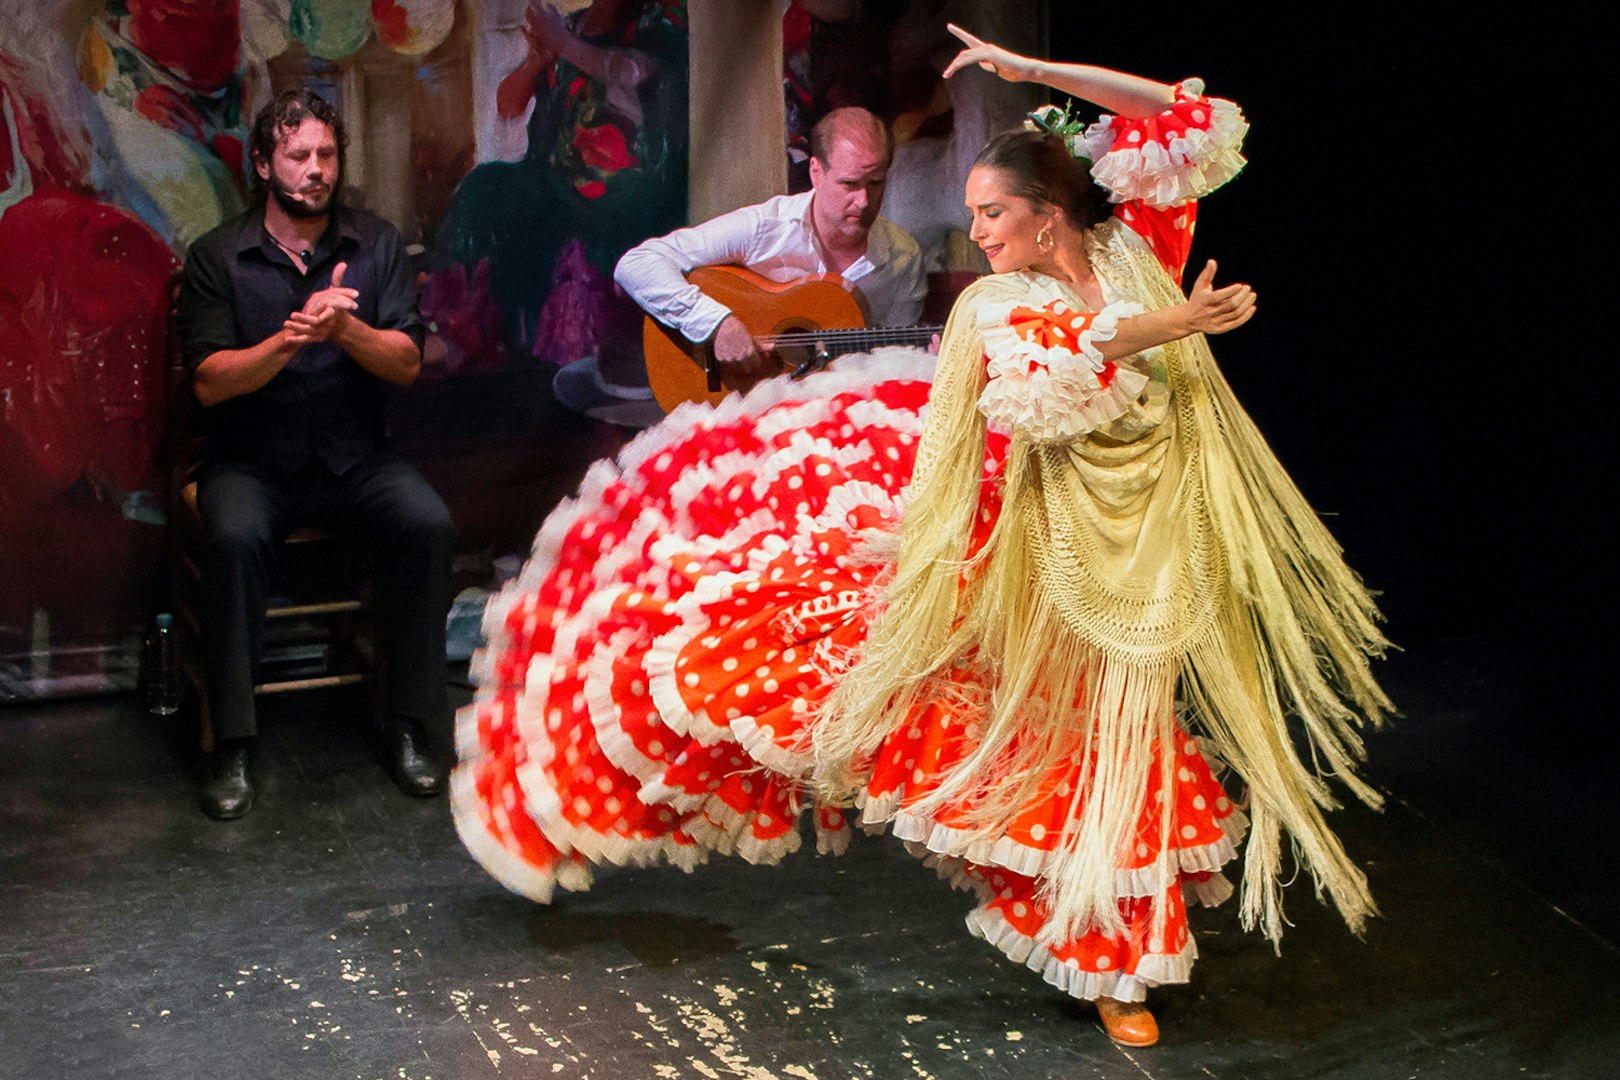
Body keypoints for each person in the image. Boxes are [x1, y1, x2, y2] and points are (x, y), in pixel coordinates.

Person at [453, 29, 1390, 1047]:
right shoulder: (1002, 303)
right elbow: (1080, 348)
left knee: (1130, 741)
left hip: (1151, 546)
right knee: (1008, 724)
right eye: (974, 214)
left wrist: (1035, 74)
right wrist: (1175, 325)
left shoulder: (1139, 254)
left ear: (1050, 214)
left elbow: (1180, 111)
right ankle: (1109, 958)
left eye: (992, 214)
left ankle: (1115, 948)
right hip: (1040, 554)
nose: (975, 234)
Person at [178, 90, 455, 820]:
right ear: (264, 164)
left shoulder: (376, 244)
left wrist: (345, 332)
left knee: (426, 523)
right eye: (298, 155)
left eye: (327, 154)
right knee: (233, 537)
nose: (316, 169)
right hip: (250, 459)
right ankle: (232, 743)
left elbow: (405, 363)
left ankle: (409, 726)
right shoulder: (217, 257)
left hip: (353, 456)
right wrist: (292, 337)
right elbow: (209, 382)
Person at [614, 105, 927, 391]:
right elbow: (637, 262)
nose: (864, 201)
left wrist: (924, 359)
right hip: (738, 404)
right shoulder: (764, 227)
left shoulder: (903, 257)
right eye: (849, 184)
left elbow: (893, 368)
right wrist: (715, 324)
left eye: (875, 183)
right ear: (816, 172)